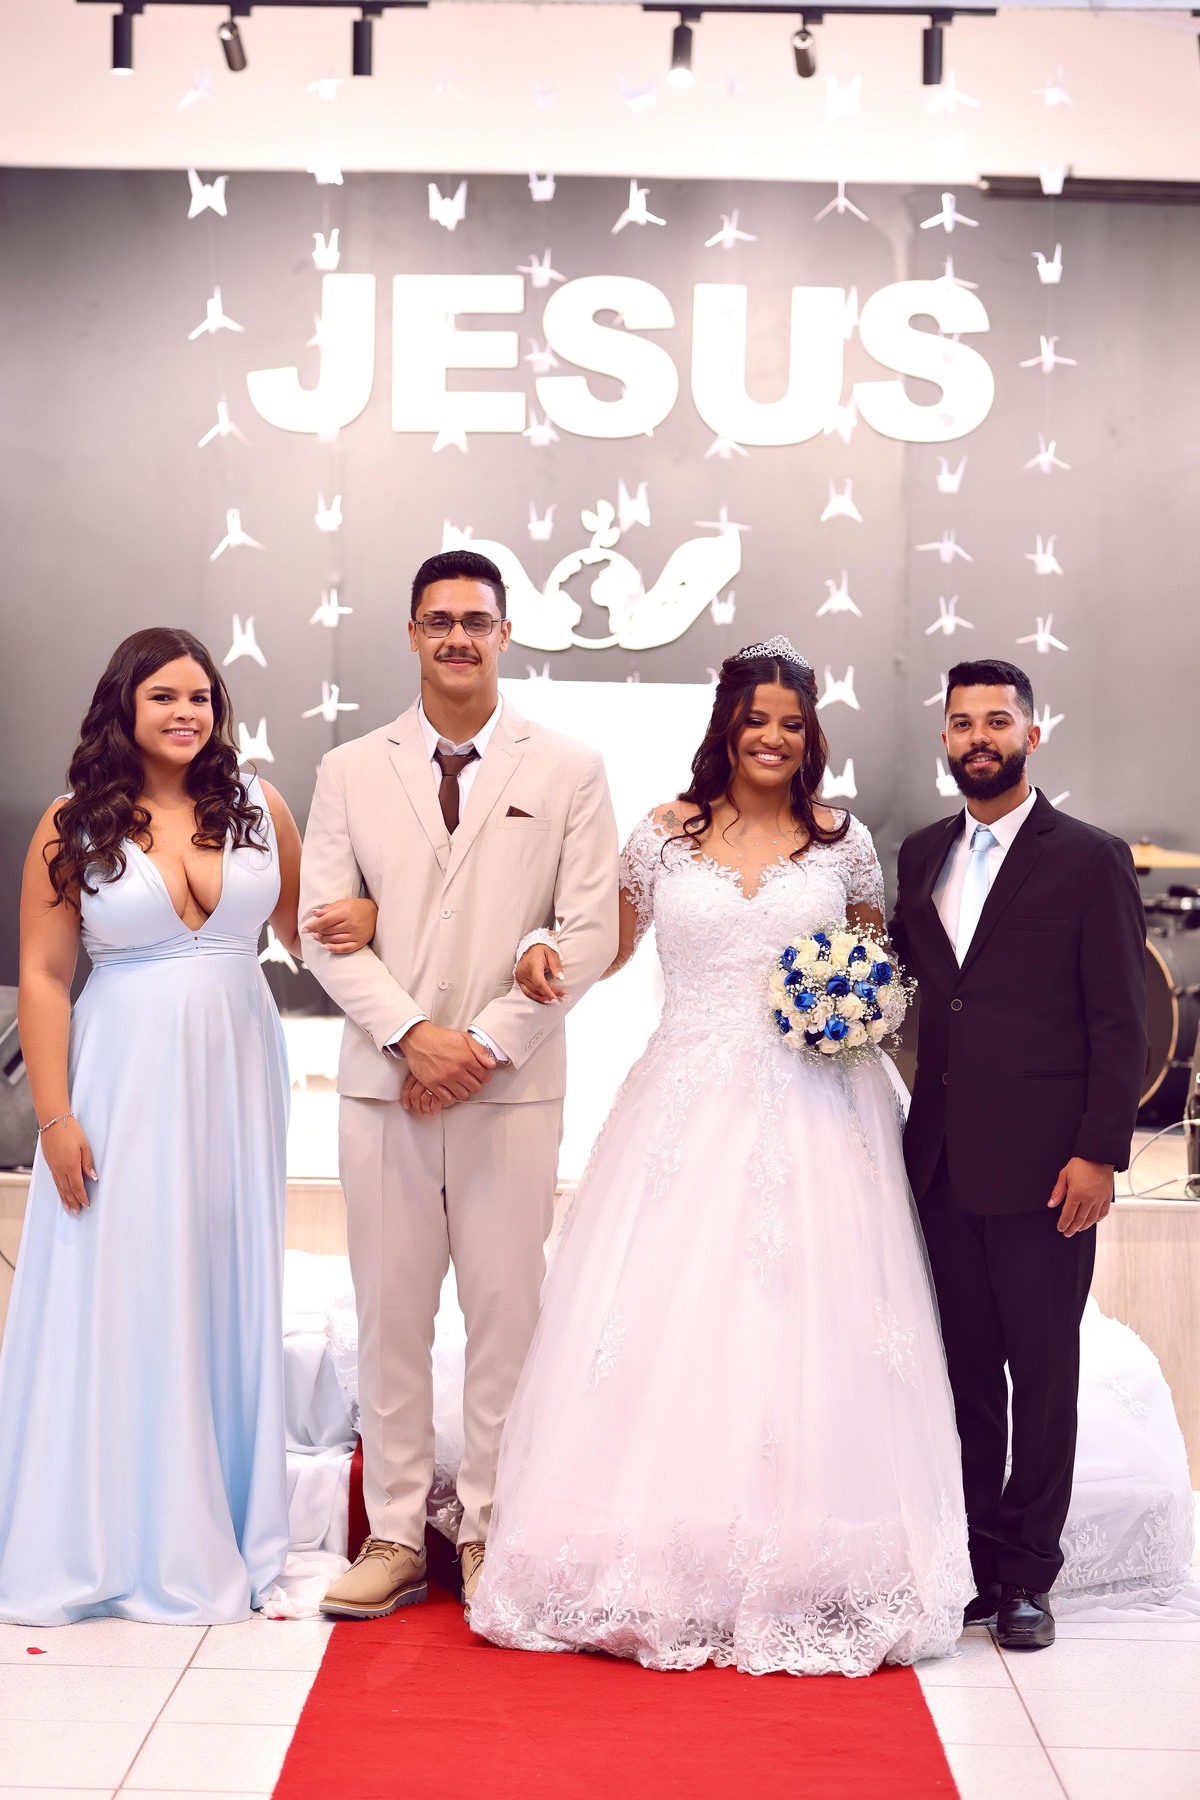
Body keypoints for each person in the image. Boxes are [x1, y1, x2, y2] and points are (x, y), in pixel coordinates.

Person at [468, 637, 974, 1677]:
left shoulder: (844, 844)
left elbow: (875, 966)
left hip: (820, 1108)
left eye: (791, 724)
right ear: (727, 729)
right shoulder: (664, 835)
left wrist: (853, 1010)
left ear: (810, 736)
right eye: (757, 722)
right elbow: (606, 948)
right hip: (685, 1107)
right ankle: (665, 1552)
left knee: (813, 1320)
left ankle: (816, 1556)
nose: (773, 739)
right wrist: (538, 950)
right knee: (674, 1315)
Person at [0, 627, 377, 1626]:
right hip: (119, 1078)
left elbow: (306, 936)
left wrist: (369, 919)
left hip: (239, 1074)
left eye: (200, 697)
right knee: (125, 1283)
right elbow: (43, 975)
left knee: (219, 1281)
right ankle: (109, 1535)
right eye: (163, 696)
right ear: (122, 707)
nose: (185, 713)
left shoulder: (259, 807)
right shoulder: (73, 824)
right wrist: (55, 1115)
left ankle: (215, 1524)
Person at [298, 549, 618, 1622]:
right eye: (438, 620)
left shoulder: (567, 768)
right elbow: (323, 929)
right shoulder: (351, 769)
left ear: (505, 633)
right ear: (411, 633)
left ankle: (490, 1529)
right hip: (383, 1087)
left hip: (508, 1091)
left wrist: (477, 1044)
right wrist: (412, 1037)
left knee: (505, 1316)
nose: (457, 638)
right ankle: (395, 1533)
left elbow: (588, 930)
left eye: (476, 621)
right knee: (390, 1316)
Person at [888, 658, 1147, 1651]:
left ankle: (1031, 1577)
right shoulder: (921, 853)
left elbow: (1118, 1020)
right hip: (941, 1163)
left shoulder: (1088, 858)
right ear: (945, 739)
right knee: (964, 1376)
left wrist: (1100, 1153)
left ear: (1032, 735)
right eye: (963, 723)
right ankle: (974, 1564)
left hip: (1048, 1172)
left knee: (1040, 1376)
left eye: (997, 721)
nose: (979, 738)